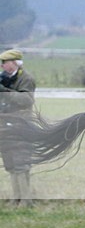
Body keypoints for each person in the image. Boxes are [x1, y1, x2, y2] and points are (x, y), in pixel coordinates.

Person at [0, 49, 36, 205]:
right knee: (11, 164)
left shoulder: (26, 79)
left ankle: (26, 200)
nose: (2, 66)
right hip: (5, 125)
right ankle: (16, 198)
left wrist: (4, 91)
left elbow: (26, 100)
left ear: (14, 63)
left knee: (21, 164)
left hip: (21, 125)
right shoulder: (5, 79)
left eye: (4, 62)